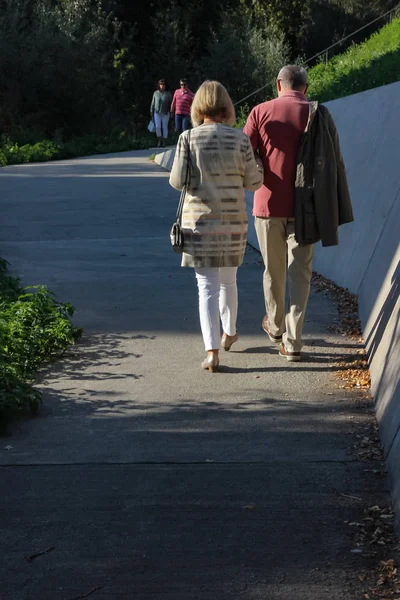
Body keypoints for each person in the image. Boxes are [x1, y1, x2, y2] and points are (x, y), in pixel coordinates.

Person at [243, 65, 353, 362]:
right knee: (300, 274)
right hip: (307, 208)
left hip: (267, 206)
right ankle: (293, 342)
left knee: (273, 271)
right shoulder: (320, 114)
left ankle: (276, 327)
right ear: (306, 87)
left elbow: (244, 153)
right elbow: (335, 161)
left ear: (278, 84)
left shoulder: (259, 111)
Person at [169, 80, 263, 372]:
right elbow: (254, 182)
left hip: (199, 225)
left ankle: (211, 352)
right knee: (228, 281)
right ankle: (230, 331)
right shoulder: (240, 140)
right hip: (233, 223)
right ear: (226, 105)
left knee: (205, 286)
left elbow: (177, 181)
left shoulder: (188, 138)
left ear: (198, 106)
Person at [150, 79, 172, 147]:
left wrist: (171, 111)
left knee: (164, 127)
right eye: (161, 84)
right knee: (158, 127)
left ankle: (164, 142)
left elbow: (171, 103)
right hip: (157, 112)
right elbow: (153, 103)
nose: (162, 86)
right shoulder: (155, 93)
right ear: (159, 85)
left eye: (163, 84)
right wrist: (151, 111)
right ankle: (159, 140)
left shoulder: (168, 93)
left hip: (165, 112)